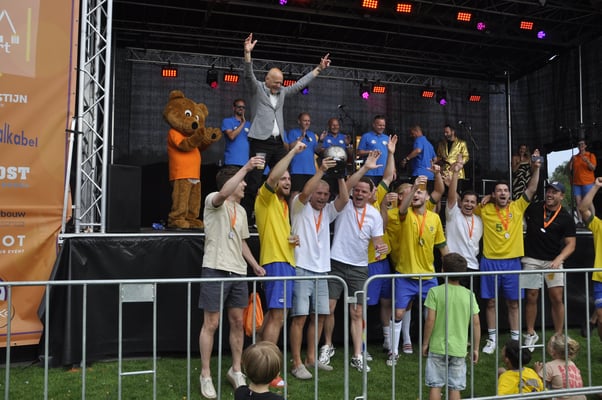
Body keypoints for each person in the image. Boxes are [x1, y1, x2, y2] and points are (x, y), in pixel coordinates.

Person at [243, 33, 331, 225]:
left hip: (277, 144)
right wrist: (247, 53)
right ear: (267, 80)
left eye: (281, 82)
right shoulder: (257, 89)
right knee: (255, 180)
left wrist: (318, 69)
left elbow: (299, 84)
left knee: (283, 178)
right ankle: (248, 219)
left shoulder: (282, 92)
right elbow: (248, 75)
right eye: (276, 82)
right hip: (260, 142)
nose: (279, 85)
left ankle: (280, 215)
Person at [198, 156, 266, 399]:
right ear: (232, 182)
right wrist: (246, 167)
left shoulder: (242, 210)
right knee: (211, 324)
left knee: (238, 322)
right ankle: (205, 374)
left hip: (238, 271)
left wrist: (255, 265)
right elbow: (223, 193)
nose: (245, 185)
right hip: (215, 268)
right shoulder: (213, 200)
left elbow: (242, 242)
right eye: (242, 182)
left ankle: (236, 370)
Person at [321, 151, 389, 373]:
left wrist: (381, 247)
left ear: (370, 195)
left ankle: (357, 354)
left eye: (364, 191)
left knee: (357, 312)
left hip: (359, 267)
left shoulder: (374, 215)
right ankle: (328, 345)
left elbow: (378, 240)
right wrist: (366, 168)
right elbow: (348, 185)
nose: (359, 193)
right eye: (357, 190)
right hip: (336, 262)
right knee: (329, 308)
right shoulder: (344, 204)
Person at [474, 151, 541, 355]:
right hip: (490, 262)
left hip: (512, 262)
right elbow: (462, 206)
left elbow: (532, 188)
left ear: (509, 194)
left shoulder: (517, 206)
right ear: (494, 194)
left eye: (505, 190)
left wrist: (536, 169)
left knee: (513, 303)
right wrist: (483, 199)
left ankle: (515, 339)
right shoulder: (484, 209)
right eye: (499, 191)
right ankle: (492, 339)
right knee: (490, 302)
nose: (503, 193)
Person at [289, 157, 347, 380]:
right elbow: (305, 192)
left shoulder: (328, 211)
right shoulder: (299, 206)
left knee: (321, 316)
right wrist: (321, 171)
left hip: (322, 270)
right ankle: (296, 363)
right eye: (319, 194)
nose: (322, 198)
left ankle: (311, 358)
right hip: (302, 267)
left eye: (325, 194)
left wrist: (340, 176)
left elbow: (344, 199)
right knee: (300, 317)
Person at [254, 140, 306, 387]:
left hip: (285, 262)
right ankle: (267, 370)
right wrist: (292, 152)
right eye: (283, 178)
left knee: (276, 316)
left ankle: (256, 359)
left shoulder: (283, 205)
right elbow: (272, 177)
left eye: (289, 179)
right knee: (277, 317)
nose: (287, 181)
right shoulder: (265, 198)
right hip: (276, 263)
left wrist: (291, 241)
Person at [389, 174, 449, 367]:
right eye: (414, 193)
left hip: (428, 275)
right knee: (399, 313)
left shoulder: (434, 218)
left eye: (420, 193)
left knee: (434, 313)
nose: (416, 195)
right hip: (405, 274)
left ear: (427, 197)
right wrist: (414, 187)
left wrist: (450, 265)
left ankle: (432, 347)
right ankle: (393, 352)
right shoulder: (405, 214)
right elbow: (402, 209)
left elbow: (441, 245)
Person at [521, 180, 576, 350]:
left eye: (554, 192)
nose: (550, 194)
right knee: (531, 295)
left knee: (557, 297)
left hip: (553, 261)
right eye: (548, 191)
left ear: (562, 196)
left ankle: (558, 336)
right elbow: (514, 207)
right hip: (531, 259)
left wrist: (560, 258)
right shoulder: (534, 208)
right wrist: (490, 197)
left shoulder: (566, 217)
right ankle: (530, 333)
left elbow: (571, 244)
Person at [422, 253, 481, 400]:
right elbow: (476, 323)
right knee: (455, 387)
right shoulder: (469, 294)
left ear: (443, 270)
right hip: (459, 348)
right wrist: (475, 348)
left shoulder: (434, 292)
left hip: (437, 346)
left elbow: (430, 320)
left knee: (435, 385)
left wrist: (425, 343)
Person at [445, 161, 483, 274]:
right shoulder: (453, 214)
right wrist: (456, 173)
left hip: (473, 265)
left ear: (476, 205)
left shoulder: (479, 220)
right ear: (460, 202)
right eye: (466, 201)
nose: (469, 204)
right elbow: (451, 197)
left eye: (472, 202)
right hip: (453, 265)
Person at [578, 176, 602, 341]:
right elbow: (582, 208)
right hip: (600, 278)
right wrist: (596, 186)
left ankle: (592, 322)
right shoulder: (599, 225)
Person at [534, 334, 585, 399]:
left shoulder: (549, 366)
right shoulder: (572, 364)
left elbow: (539, 386)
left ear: (553, 351)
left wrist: (537, 372)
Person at [286, 112, 320, 201]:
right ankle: (292, 210)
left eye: (308, 121)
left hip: (311, 170)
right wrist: (301, 137)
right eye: (305, 120)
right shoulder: (293, 132)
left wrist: (321, 140)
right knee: (295, 194)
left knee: (310, 194)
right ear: (299, 121)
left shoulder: (312, 134)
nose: (307, 123)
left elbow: (316, 150)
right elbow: (290, 147)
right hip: (297, 169)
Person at [319, 117, 352, 199]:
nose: (335, 127)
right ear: (329, 126)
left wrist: (348, 145)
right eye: (333, 125)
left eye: (337, 125)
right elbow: (319, 151)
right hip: (328, 171)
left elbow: (350, 154)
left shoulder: (344, 137)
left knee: (340, 194)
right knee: (328, 194)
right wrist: (321, 141)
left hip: (341, 171)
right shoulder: (325, 137)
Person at [570, 139, 597, 225]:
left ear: (585, 146)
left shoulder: (590, 155)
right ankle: (580, 221)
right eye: (579, 145)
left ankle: (593, 221)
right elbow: (569, 170)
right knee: (578, 202)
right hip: (576, 183)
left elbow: (593, 168)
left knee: (589, 202)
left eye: (582, 144)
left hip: (588, 182)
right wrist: (571, 161)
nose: (580, 146)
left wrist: (587, 161)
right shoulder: (575, 157)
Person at [356, 115, 389, 184]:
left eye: (383, 125)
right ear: (374, 125)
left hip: (384, 172)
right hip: (370, 172)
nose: (382, 127)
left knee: (383, 191)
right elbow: (359, 152)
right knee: (369, 190)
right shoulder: (366, 136)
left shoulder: (387, 138)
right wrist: (371, 152)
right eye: (380, 125)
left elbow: (390, 155)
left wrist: (393, 169)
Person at [436, 124, 469, 190]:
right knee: (444, 193)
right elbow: (438, 156)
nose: (445, 134)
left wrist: (457, 164)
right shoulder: (441, 144)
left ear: (453, 132)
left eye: (447, 132)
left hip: (457, 174)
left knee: (455, 193)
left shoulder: (461, 143)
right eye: (444, 132)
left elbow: (466, 157)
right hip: (444, 174)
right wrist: (440, 161)